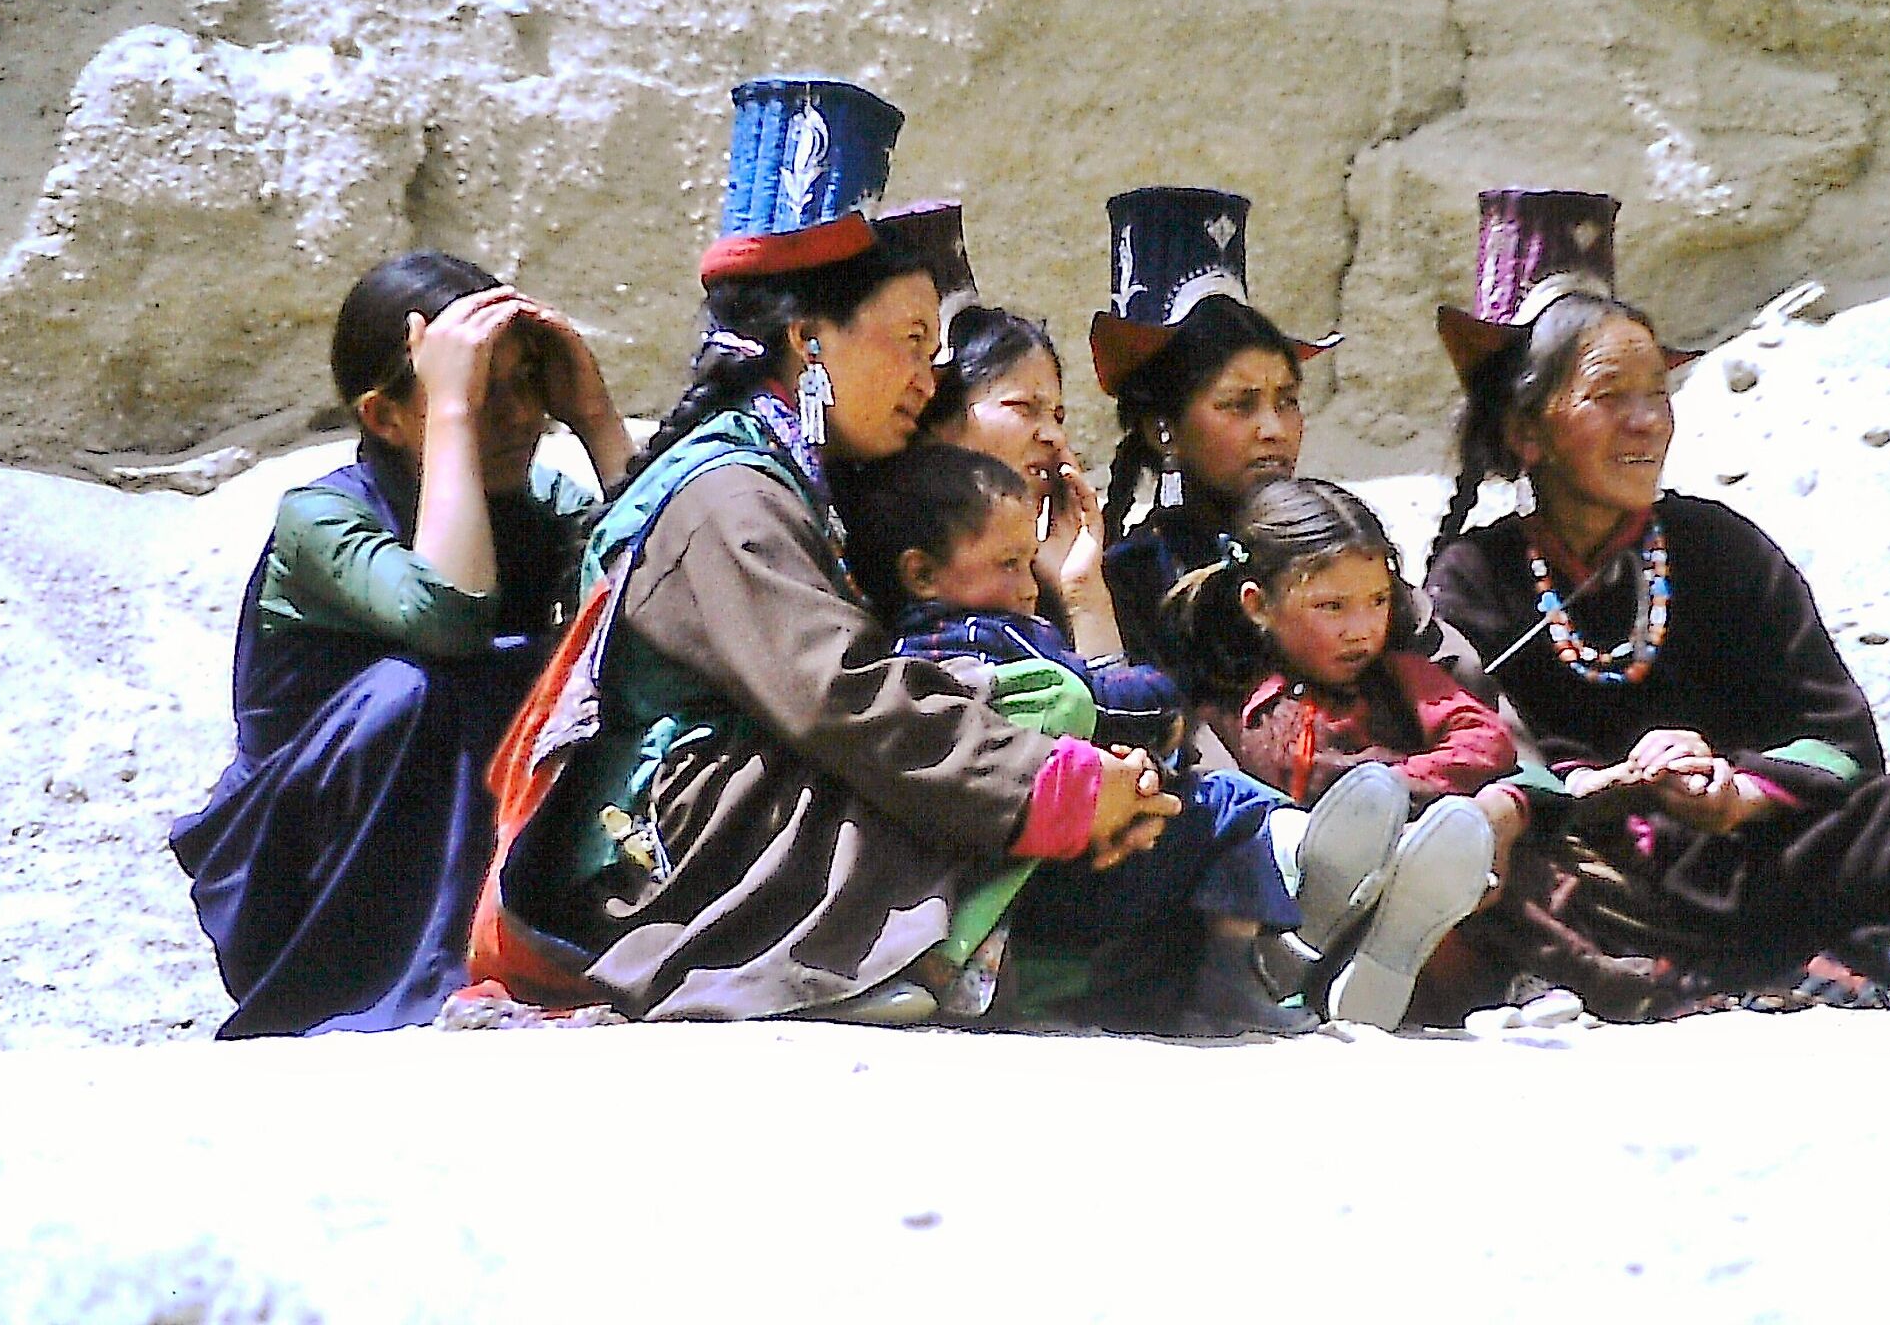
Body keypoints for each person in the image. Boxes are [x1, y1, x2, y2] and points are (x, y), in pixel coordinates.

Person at [468, 78, 1180, 1023]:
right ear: (809, 342)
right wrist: (1056, 787)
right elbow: (838, 695)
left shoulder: (802, 481)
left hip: (739, 824)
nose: (929, 378)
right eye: (912, 342)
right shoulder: (729, 494)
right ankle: (916, 962)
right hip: (663, 864)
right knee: (1010, 712)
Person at [1422, 188, 1890, 1017]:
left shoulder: (1720, 548)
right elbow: (1485, 755)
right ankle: (1817, 967)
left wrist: (1733, 796)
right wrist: (1618, 786)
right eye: (1610, 395)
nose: (1647, 422)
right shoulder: (1475, 577)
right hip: (1605, 879)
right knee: (1485, 861)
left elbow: (1840, 740)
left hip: (1757, 859)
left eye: (1658, 394)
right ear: (1526, 431)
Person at [171, 249, 634, 1037]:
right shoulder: (322, 519)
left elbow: (659, 582)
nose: (520, 417)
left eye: (527, 384)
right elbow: (449, 619)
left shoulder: (543, 503)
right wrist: (450, 412)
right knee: (421, 688)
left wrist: (593, 414)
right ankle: (420, 990)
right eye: (483, 394)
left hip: (485, 857)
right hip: (313, 885)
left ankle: (528, 959)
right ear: (384, 418)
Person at [838, 441, 1315, 1034]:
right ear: (922, 574)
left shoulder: (906, 654)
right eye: (1009, 564)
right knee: (1228, 806)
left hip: (997, 874)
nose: (1028, 585)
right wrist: (1159, 702)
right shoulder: (988, 635)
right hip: (1042, 872)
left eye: (1028, 562)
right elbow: (1106, 701)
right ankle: (1282, 906)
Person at [1167, 476, 1524, 1027]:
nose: (1361, 629)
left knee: (1430, 851)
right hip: (1278, 879)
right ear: (1258, 605)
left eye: (1378, 601)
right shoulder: (1228, 702)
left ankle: (1378, 966)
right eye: (1331, 607)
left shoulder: (1400, 679)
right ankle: (1292, 956)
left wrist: (1397, 784)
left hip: (1395, 845)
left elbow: (1485, 738)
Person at [1089, 187, 1341, 666]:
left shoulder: (1336, 545)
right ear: (1162, 429)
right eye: (1239, 405)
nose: (1273, 429)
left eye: (1287, 401)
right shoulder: (1131, 583)